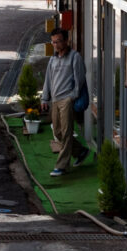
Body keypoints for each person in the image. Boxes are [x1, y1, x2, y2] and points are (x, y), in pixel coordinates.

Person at [40, 28, 90, 177]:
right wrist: (44, 98)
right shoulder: (52, 59)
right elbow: (48, 80)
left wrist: (72, 97)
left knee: (67, 132)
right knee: (57, 132)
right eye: (53, 42)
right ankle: (80, 151)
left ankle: (61, 166)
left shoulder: (75, 57)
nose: (56, 45)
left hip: (67, 100)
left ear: (66, 41)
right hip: (55, 100)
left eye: (59, 41)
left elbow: (80, 79)